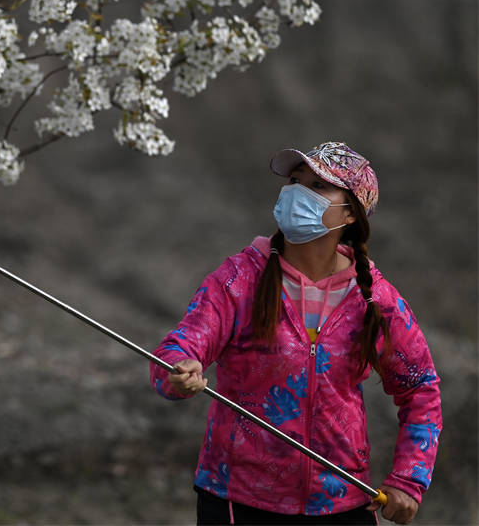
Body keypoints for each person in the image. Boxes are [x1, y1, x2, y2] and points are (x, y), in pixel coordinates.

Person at [150, 142, 441, 525]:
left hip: (343, 505)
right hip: (237, 502)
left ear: (351, 212)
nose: (296, 192)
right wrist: (177, 371)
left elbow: (420, 390)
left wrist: (409, 479)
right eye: (294, 180)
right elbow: (178, 349)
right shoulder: (239, 279)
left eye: (318, 186)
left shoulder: (377, 300)